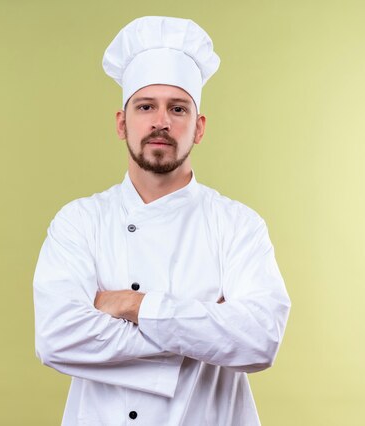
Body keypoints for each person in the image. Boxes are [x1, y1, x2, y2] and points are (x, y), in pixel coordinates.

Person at [33, 16, 291, 426]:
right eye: (146, 106)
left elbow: (259, 341)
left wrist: (134, 305)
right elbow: (56, 339)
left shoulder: (238, 225)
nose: (161, 121)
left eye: (178, 108)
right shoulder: (79, 221)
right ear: (122, 123)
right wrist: (207, 331)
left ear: (198, 127)